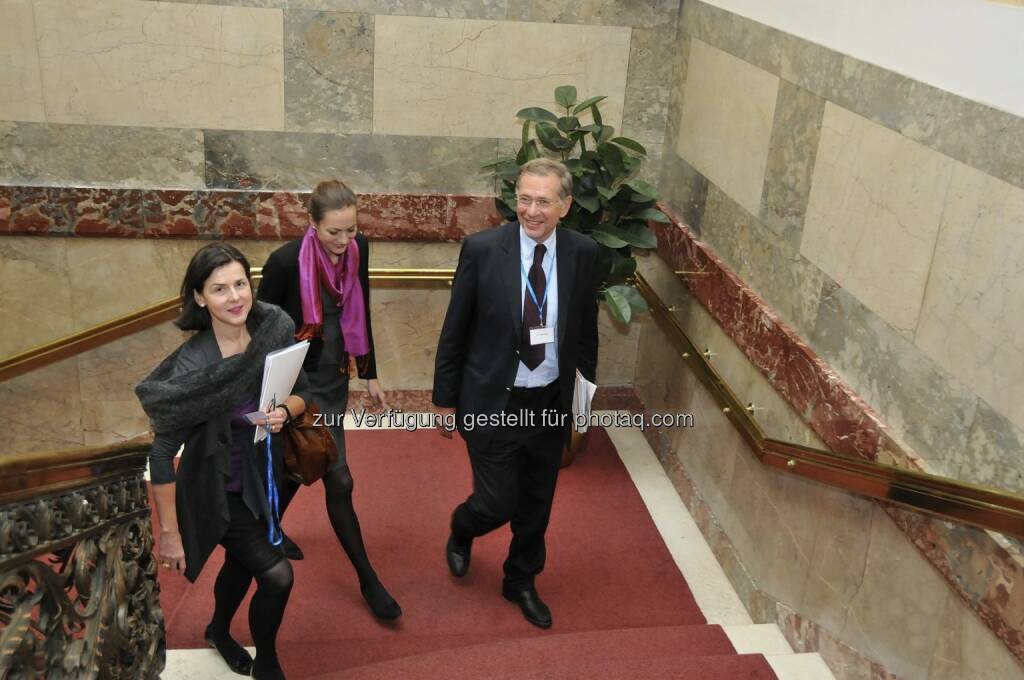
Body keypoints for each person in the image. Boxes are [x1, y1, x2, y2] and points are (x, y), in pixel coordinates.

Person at [433, 158, 599, 629]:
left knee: (536, 503)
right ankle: (463, 527)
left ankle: (520, 580)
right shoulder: (483, 250)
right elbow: (455, 330)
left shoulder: (582, 254)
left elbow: (585, 335)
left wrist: (580, 408)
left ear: (564, 206)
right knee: (497, 502)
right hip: (492, 399)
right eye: (524, 199)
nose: (531, 210)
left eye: (543, 201)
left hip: (548, 401)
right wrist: (444, 401)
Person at [136, 243, 308, 680]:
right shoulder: (192, 368)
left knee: (241, 563)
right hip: (217, 485)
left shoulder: (272, 327)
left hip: (264, 475)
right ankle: (267, 660)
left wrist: (285, 411)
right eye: (219, 289)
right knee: (277, 576)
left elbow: (305, 389)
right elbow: (160, 452)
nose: (235, 298)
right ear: (199, 298)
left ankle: (218, 629)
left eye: (239, 284)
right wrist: (170, 533)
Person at [257, 179, 401, 621]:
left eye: (351, 230)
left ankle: (266, 526)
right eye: (333, 232)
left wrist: (370, 372)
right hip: (299, 386)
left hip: (336, 378)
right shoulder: (283, 263)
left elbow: (362, 308)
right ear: (311, 224)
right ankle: (368, 579)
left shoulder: (361, 250)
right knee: (338, 478)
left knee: (303, 463)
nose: (343, 241)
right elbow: (260, 330)